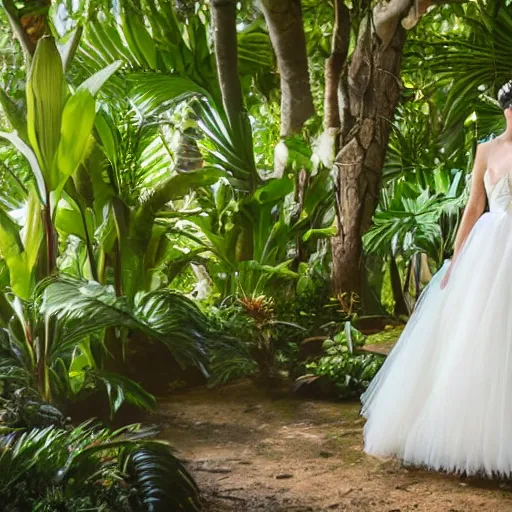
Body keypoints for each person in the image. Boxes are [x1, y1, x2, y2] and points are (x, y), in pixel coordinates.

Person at [360, 79, 512, 477]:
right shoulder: (486, 150)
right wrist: (456, 260)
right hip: (490, 249)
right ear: (504, 110)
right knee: (479, 339)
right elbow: (473, 207)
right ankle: (479, 440)